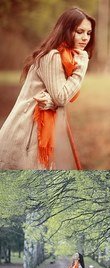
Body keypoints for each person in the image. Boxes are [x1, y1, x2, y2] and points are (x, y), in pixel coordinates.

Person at [0, 8, 95, 171]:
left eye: (88, 33)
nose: (85, 38)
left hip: (41, 128)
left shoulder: (68, 58)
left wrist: (52, 101)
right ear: (66, 30)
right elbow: (62, 97)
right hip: (27, 131)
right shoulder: (52, 56)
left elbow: (59, 97)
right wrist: (82, 66)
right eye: (79, 32)